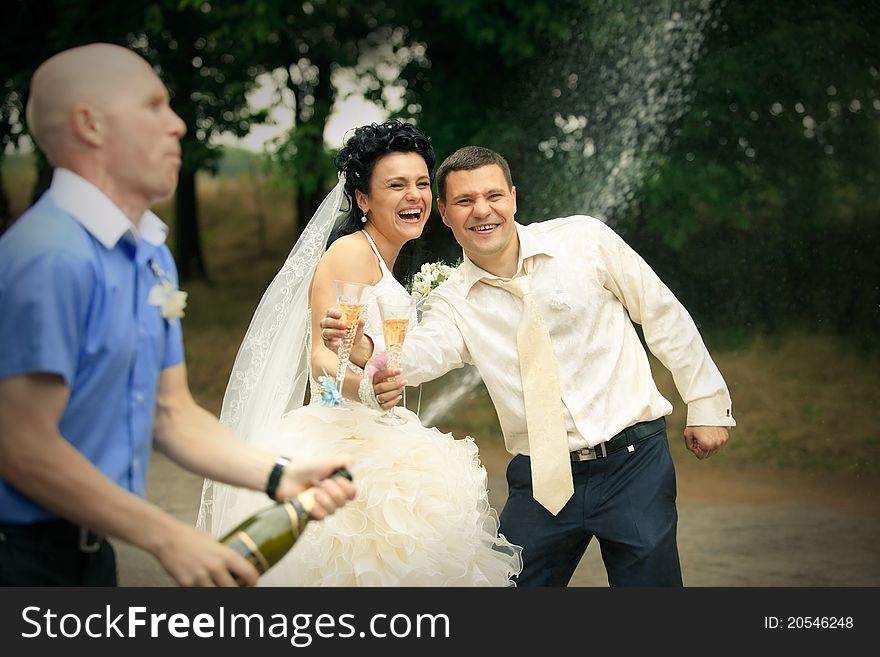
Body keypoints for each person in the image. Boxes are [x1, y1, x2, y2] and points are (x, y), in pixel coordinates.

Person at [0, 43, 355, 588]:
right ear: (89, 124)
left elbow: (169, 413)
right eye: (153, 105)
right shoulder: (47, 257)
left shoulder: (152, 254)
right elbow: (21, 447)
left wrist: (279, 476)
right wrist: (168, 537)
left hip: (90, 554)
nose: (178, 126)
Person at [323, 145, 735, 586]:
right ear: (444, 213)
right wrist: (366, 348)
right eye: (464, 201)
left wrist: (707, 404)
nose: (483, 211)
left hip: (633, 464)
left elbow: (662, 315)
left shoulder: (585, 240)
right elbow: (423, 352)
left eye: (494, 196)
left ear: (513, 197)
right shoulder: (452, 301)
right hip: (541, 479)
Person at [197, 121, 522, 586]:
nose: (415, 196)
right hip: (344, 442)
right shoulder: (350, 254)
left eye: (422, 184)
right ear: (363, 199)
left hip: (382, 434)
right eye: (396, 185)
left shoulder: (387, 255)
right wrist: (366, 387)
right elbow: (322, 360)